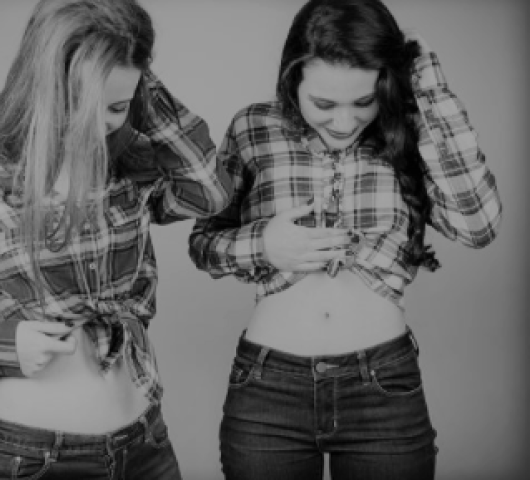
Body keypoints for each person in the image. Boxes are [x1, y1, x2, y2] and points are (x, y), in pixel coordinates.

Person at [0, 0, 231, 478]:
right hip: (35, 456)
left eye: (117, 107)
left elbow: (210, 193)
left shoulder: (128, 161)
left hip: (145, 442)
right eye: (80, 104)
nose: (98, 123)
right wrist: (6, 342)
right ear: (41, 86)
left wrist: (137, 75)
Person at [188, 0, 502, 478]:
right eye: (324, 104)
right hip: (268, 388)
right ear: (292, 81)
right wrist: (264, 245)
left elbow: (478, 225)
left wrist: (430, 87)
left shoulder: (411, 130)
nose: (343, 122)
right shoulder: (253, 126)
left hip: (384, 387)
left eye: (363, 102)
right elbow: (203, 242)